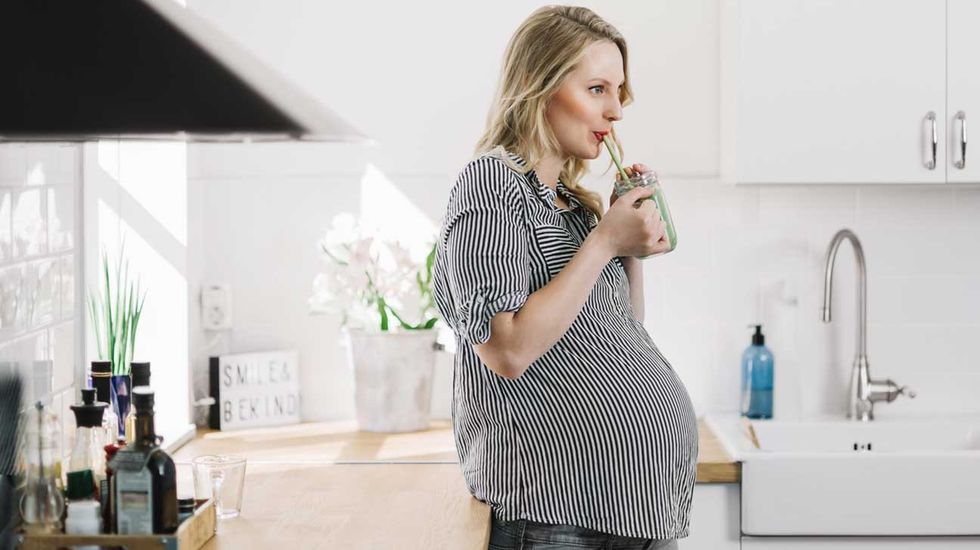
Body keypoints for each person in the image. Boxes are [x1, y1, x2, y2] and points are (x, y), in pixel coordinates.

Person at [432, 6, 698, 550]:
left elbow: (618, 336)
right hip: (556, 516)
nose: (616, 111)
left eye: (619, 91)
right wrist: (605, 243)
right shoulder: (491, 184)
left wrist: (627, 248)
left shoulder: (573, 208)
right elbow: (507, 350)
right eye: (597, 88)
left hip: (636, 513)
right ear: (536, 84)